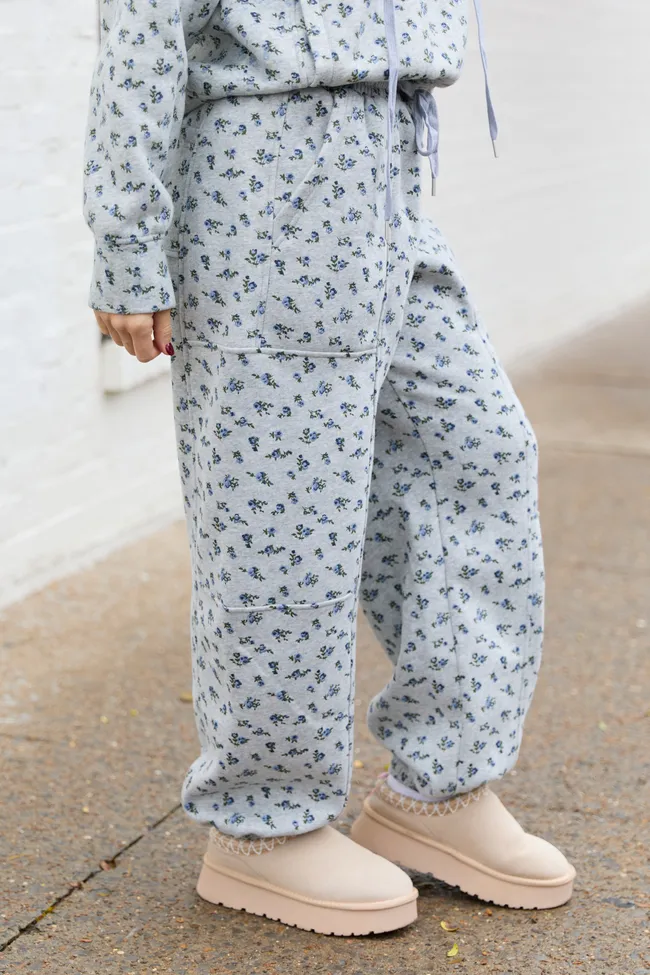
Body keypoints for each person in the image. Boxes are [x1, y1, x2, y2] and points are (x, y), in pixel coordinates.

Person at [84, 0, 576, 937]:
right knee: (285, 516)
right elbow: (145, 32)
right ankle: (264, 821)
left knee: (476, 457)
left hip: (388, 174)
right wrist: (128, 242)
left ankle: (441, 785)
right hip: (266, 183)